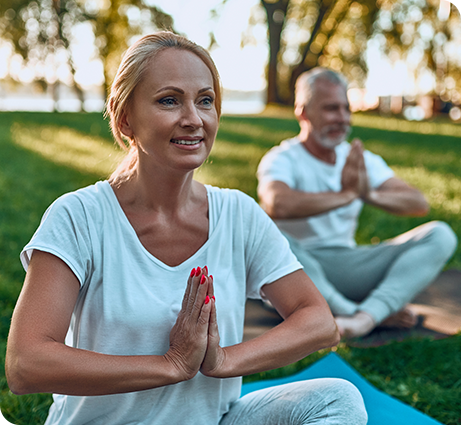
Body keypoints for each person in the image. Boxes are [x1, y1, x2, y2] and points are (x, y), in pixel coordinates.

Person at [6, 34, 367, 424]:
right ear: (125, 118)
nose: (194, 118)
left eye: (205, 100)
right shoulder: (79, 217)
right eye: (169, 100)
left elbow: (318, 321)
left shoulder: (237, 214)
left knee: (337, 399)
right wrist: (172, 364)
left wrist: (224, 359)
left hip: (215, 419)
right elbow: (27, 363)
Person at [257, 67, 457, 339]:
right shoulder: (281, 158)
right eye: (331, 109)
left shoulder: (357, 159)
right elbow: (277, 204)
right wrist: (346, 196)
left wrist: (369, 195)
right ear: (302, 112)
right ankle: (356, 313)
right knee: (265, 233)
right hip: (296, 270)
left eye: (345, 109)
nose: (342, 118)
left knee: (440, 234)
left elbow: (417, 202)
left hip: (348, 265)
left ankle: (364, 318)